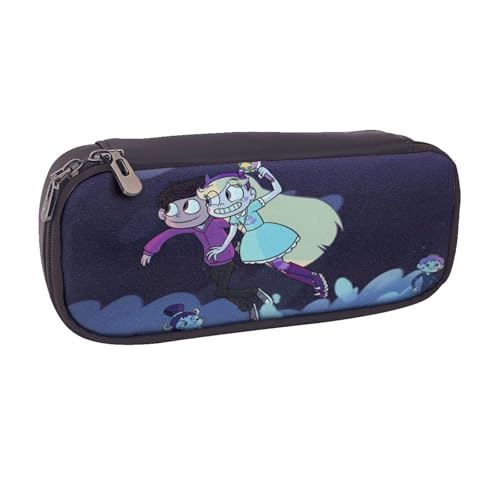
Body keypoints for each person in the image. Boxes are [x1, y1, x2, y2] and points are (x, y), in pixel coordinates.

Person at [141, 177, 272, 321]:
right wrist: (149, 250)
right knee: (220, 291)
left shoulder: (216, 221)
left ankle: (250, 300)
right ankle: (252, 297)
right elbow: (169, 233)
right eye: (172, 210)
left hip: (226, 259)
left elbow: (241, 223)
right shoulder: (194, 228)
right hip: (210, 263)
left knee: (221, 291)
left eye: (190, 206)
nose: (181, 215)